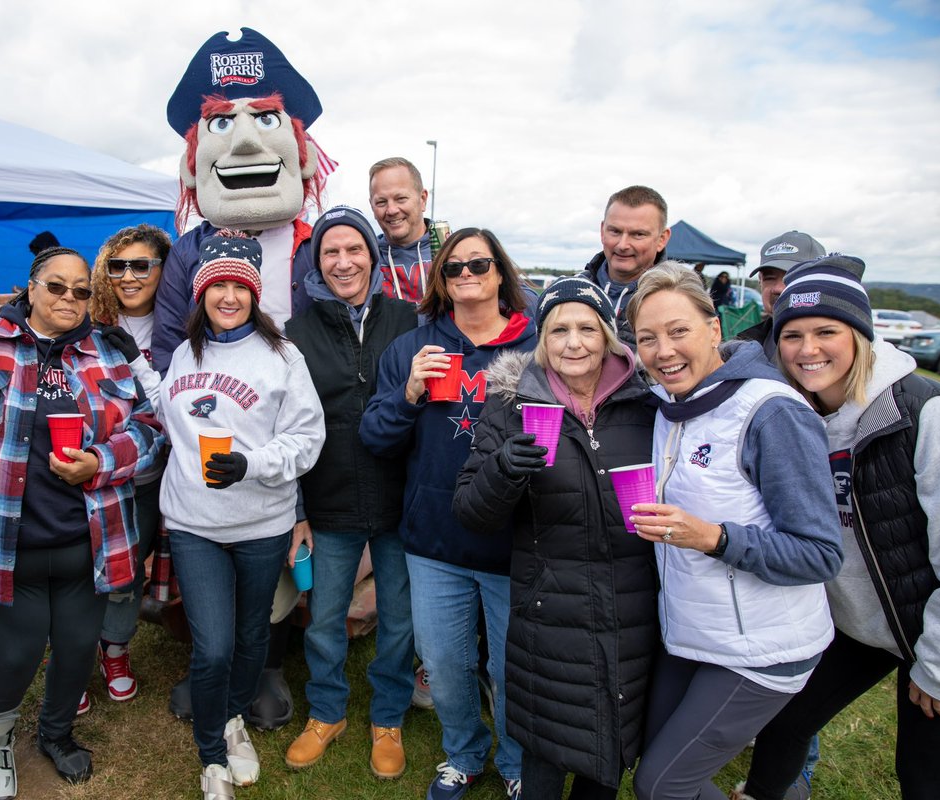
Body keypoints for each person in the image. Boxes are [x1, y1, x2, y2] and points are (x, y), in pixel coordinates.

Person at [0, 245, 164, 795]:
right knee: (15, 652)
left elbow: (150, 429)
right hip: (10, 543)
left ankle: (56, 734)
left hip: (89, 540)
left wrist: (100, 463)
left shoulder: (107, 351)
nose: (69, 299)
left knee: (79, 647)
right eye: (56, 286)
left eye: (81, 290)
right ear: (30, 288)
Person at [624, 263, 843, 800]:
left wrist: (715, 538)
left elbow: (819, 553)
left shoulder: (770, 411)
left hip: (764, 648)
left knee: (662, 785)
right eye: (647, 339)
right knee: (650, 763)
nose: (663, 351)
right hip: (693, 632)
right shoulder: (669, 406)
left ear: (715, 328)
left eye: (679, 331)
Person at [731, 255, 940, 800]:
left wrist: (936, 665)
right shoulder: (795, 413)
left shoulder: (921, 413)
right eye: (792, 334)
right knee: (785, 720)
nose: (808, 349)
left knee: (923, 772)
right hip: (860, 627)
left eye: (827, 331)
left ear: (861, 336)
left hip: (926, 623)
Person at [453, 276, 659, 799]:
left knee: (607, 756)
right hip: (551, 613)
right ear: (541, 339)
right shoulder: (512, 405)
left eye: (587, 328)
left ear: (609, 336)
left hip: (632, 608)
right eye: (559, 329)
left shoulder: (648, 403)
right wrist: (504, 469)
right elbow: (472, 513)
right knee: (545, 754)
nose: (574, 342)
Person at [360, 227, 536, 800]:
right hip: (435, 541)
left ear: (500, 272)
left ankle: (515, 762)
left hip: (516, 541)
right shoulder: (415, 348)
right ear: (440, 279)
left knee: (513, 669)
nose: (466, 275)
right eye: (454, 268)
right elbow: (375, 438)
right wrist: (409, 392)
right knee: (442, 662)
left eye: (478, 264)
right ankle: (463, 752)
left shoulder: (536, 344)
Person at [158, 232, 324, 800]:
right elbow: (167, 417)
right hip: (193, 523)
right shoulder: (185, 353)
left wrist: (249, 463)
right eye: (217, 285)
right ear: (201, 291)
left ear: (254, 292)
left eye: (239, 286)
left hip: (261, 524)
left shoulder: (282, 356)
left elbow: (307, 438)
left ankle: (230, 720)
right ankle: (212, 759)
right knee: (214, 647)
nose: (228, 296)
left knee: (254, 636)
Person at [282, 207, 418, 778]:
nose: (343, 262)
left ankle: (388, 716)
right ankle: (327, 711)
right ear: (317, 263)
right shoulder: (296, 333)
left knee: (399, 619)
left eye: (354, 249)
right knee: (324, 616)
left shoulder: (410, 320)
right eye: (330, 252)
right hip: (328, 499)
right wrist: (297, 513)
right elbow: (283, 425)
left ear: (372, 255)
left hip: (400, 499)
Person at [151, 27, 326, 375]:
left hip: (307, 402)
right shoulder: (189, 251)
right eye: (221, 125)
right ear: (190, 169)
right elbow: (170, 338)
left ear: (305, 159)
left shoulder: (320, 245)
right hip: (217, 404)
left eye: (265, 119)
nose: (245, 142)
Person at [85, 223, 172, 707]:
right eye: (118, 266)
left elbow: (175, 407)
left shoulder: (179, 323)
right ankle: (73, 655)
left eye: (142, 265)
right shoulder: (87, 318)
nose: (129, 276)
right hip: (94, 474)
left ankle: (114, 649)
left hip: (150, 475)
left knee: (126, 570)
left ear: (164, 269)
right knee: (80, 570)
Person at [579, 185, 670, 349]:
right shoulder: (570, 291)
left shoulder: (681, 300)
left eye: (638, 234)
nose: (623, 245)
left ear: (662, 239)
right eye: (615, 231)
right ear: (602, 231)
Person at [736, 231, 826, 360]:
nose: (778, 288)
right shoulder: (742, 348)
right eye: (770, 278)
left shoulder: (845, 346)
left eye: (792, 277)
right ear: (760, 281)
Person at [368, 157, 434, 303]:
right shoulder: (366, 260)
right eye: (381, 202)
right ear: (372, 206)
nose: (391, 210)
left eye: (401, 198)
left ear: (422, 199)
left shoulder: (452, 252)